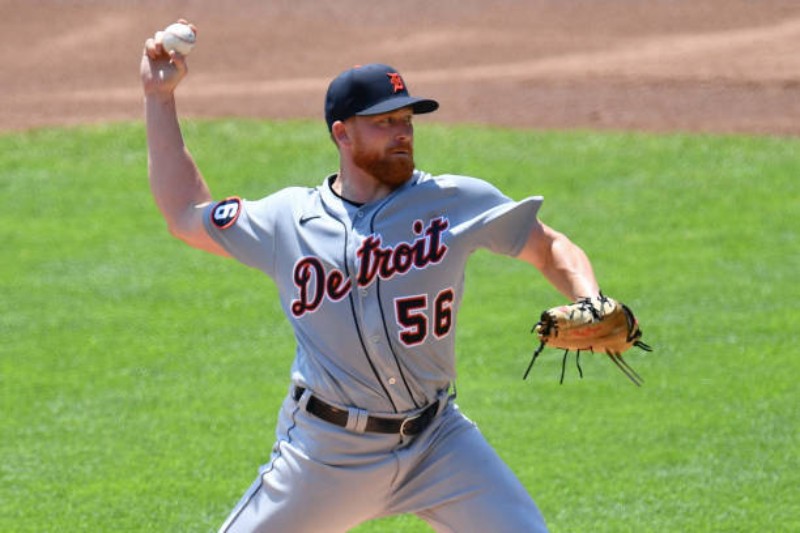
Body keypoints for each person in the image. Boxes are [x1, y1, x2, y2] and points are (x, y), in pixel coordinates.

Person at [141, 22, 601, 533]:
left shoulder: (452, 202)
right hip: (327, 455)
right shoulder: (288, 221)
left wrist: (592, 300)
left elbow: (549, 246)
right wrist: (159, 98)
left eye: (407, 119)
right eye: (384, 122)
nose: (402, 131)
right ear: (342, 133)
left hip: (438, 443)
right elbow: (185, 215)